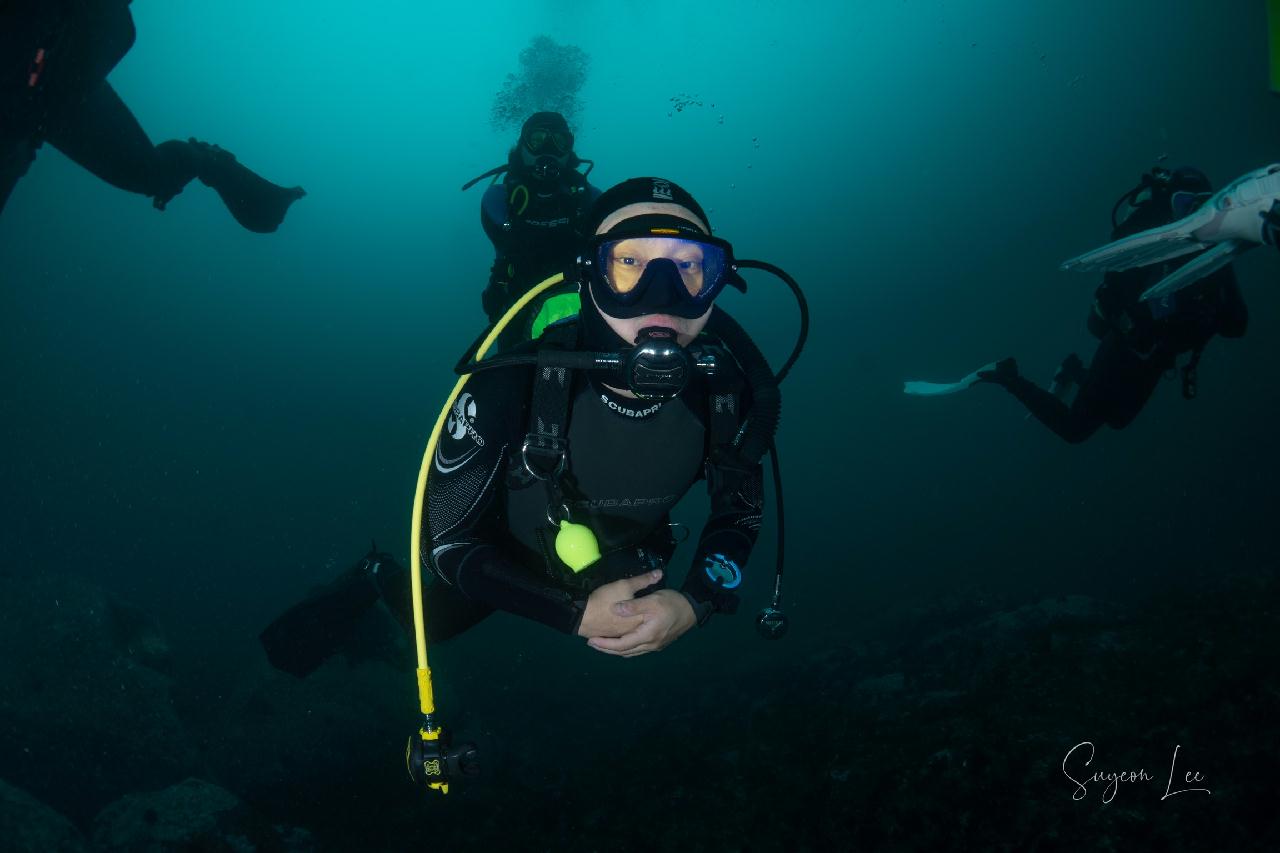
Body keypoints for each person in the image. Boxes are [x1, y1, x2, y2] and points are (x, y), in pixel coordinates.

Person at [262, 177, 782, 674]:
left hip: (625, 554)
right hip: (507, 555)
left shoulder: (727, 392)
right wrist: (569, 613)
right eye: (628, 262)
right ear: (588, 274)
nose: (663, 294)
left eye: (692, 265)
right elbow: (444, 541)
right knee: (432, 622)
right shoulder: (512, 383)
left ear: (717, 281)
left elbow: (742, 511)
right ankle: (374, 571)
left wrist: (697, 601)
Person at [905, 166, 1249, 444]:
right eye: (1185, 203)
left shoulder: (1217, 258)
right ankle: (1006, 375)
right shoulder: (1152, 248)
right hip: (1126, 349)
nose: (1196, 212)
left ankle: (1072, 371)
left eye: (1205, 203)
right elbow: (1114, 294)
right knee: (1075, 430)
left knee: (1117, 421)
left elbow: (1237, 324)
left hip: (1158, 359)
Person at [2, 0, 304, 232]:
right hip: (42, 84)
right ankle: (209, 162)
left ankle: (209, 162)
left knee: (148, 172)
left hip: (46, 78)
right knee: (148, 172)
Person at [463, 111, 600, 345]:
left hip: (581, 303)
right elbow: (507, 243)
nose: (548, 149)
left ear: (569, 150)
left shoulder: (591, 200)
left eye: (560, 141)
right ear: (521, 147)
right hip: (518, 303)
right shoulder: (498, 199)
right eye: (537, 140)